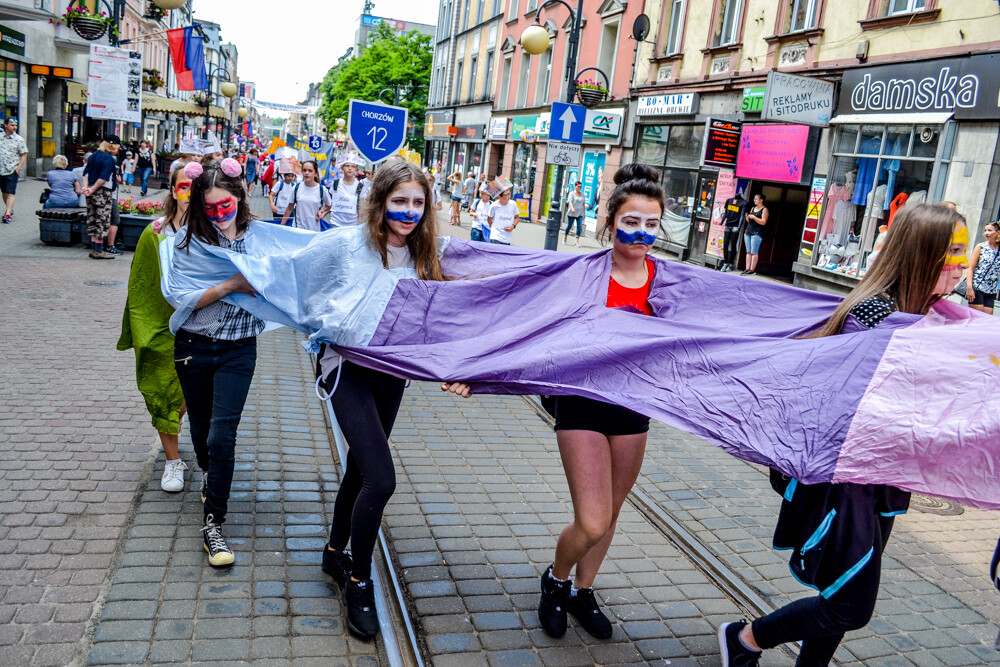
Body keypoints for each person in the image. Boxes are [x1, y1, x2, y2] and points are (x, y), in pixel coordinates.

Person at [718, 203, 970, 667]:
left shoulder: (936, 314)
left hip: (886, 481)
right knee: (850, 604)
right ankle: (746, 639)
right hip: (846, 480)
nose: (963, 262)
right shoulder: (875, 314)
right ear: (923, 253)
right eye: (952, 251)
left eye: (963, 250)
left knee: (840, 594)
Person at [316, 160, 470, 639]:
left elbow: (459, 311)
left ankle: (333, 553)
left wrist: (463, 368)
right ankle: (359, 580)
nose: (408, 211)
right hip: (346, 369)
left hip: (391, 375)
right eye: (399, 201)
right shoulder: (348, 246)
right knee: (381, 481)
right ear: (380, 201)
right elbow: (290, 271)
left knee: (361, 471)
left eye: (417, 203)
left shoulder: (428, 256)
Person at [538, 163, 664, 641]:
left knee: (610, 513)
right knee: (591, 520)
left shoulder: (669, 280)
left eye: (652, 224)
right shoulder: (583, 273)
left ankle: (582, 592)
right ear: (611, 221)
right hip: (582, 403)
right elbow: (527, 318)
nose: (641, 234)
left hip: (634, 407)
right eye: (632, 222)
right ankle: (556, 580)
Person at [171, 158, 264, 567]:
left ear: (240, 198)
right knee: (202, 430)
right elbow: (179, 297)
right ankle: (211, 479)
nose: (219, 215)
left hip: (238, 348)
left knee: (222, 435)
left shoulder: (262, 239)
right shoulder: (186, 243)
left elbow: (296, 269)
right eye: (209, 208)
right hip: (193, 344)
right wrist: (231, 285)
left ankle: (214, 524)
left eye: (225, 205)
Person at [118, 165, 193, 492]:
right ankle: (173, 461)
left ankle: (182, 444)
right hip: (163, 330)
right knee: (163, 391)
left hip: (202, 330)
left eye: (196, 187)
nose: (189, 194)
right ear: (173, 189)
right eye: (183, 186)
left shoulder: (216, 231)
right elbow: (142, 285)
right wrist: (143, 331)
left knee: (188, 396)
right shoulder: (155, 232)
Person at [81, 136, 121, 260]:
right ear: (112, 146)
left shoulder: (93, 156)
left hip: (91, 189)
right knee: (102, 219)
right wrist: (93, 189)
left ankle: (94, 248)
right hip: (102, 191)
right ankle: (98, 250)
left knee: (92, 217)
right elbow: (103, 178)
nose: (118, 150)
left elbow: (85, 173)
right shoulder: (109, 159)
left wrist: (87, 187)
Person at [280, 159, 332, 231]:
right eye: (304, 170)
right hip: (297, 229)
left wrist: (322, 211)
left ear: (316, 173)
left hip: (314, 230)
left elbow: (329, 205)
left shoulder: (322, 189)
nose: (306, 173)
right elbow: (289, 208)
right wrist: (281, 227)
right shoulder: (296, 188)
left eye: (310, 171)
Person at [964, 220, 999, 314]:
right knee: (976, 317)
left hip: (991, 290)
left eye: (990, 230)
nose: (986, 233)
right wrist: (970, 288)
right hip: (977, 286)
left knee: (986, 319)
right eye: (985, 230)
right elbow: (970, 268)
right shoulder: (981, 247)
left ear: (998, 233)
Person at [0, 117, 27, 224]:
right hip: (1, 169)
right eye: (12, 125)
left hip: (12, 169)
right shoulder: (1, 138)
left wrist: (19, 167)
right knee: (4, 192)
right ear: (6, 125)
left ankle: (7, 213)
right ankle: (9, 208)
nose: (14, 127)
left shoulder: (19, 139)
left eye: (15, 125)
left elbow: (24, 155)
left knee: (11, 193)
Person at [327, 153, 366, 227]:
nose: (350, 168)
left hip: (352, 226)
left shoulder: (360, 186)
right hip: (335, 224)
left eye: (353, 166)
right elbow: (329, 204)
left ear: (356, 169)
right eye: (347, 166)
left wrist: (360, 226)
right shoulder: (335, 184)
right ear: (342, 168)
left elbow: (361, 209)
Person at [742, 193, 769, 276]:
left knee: (754, 251)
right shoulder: (753, 208)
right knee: (748, 251)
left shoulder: (764, 209)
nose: (754, 200)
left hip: (757, 232)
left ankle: (752, 269)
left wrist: (754, 217)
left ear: (761, 200)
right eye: (754, 199)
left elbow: (763, 222)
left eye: (756, 199)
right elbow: (749, 220)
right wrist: (748, 217)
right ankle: (747, 268)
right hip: (748, 231)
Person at [720, 189, 746, 272]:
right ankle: (725, 262)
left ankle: (731, 263)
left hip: (735, 226)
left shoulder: (744, 203)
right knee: (726, 243)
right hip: (728, 224)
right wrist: (722, 221)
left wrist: (739, 226)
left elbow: (742, 215)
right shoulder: (729, 200)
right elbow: (726, 213)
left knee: (733, 244)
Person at [564, 181, 585, 246]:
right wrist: (572, 208)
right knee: (569, 226)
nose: (579, 188)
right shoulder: (571, 193)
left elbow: (583, 204)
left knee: (579, 226)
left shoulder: (582, 195)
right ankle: (565, 238)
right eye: (578, 186)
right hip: (572, 213)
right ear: (575, 186)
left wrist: (584, 213)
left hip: (580, 213)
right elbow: (570, 202)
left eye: (580, 187)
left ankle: (576, 241)